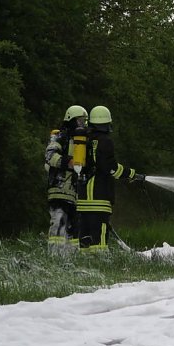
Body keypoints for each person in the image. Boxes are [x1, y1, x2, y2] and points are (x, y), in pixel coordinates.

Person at [78, 106, 145, 252]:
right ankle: (99, 264)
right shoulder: (105, 141)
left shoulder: (85, 140)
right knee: (99, 238)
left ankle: (84, 266)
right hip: (99, 197)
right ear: (107, 123)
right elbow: (110, 167)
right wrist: (131, 174)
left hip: (83, 199)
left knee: (85, 238)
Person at [44, 105, 88, 253]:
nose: (83, 124)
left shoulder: (81, 141)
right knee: (58, 222)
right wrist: (68, 162)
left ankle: (71, 257)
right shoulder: (61, 137)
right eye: (80, 121)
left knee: (74, 227)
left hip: (74, 193)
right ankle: (54, 255)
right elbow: (50, 156)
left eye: (84, 121)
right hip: (59, 188)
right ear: (71, 120)